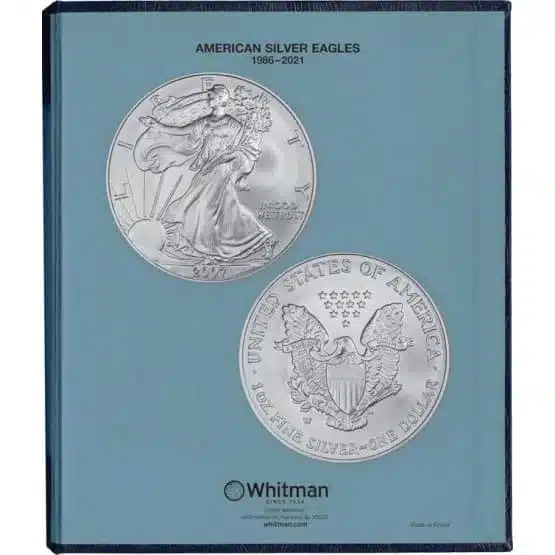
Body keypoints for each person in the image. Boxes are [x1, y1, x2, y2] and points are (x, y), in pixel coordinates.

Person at [134, 84, 276, 263]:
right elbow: (181, 131)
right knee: (227, 210)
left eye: (212, 97)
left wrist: (225, 159)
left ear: (221, 99)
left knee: (203, 206)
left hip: (222, 169)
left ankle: (209, 248)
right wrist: (157, 125)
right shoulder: (205, 122)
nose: (209, 99)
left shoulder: (234, 125)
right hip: (206, 168)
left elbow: (243, 149)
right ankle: (259, 238)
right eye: (209, 96)